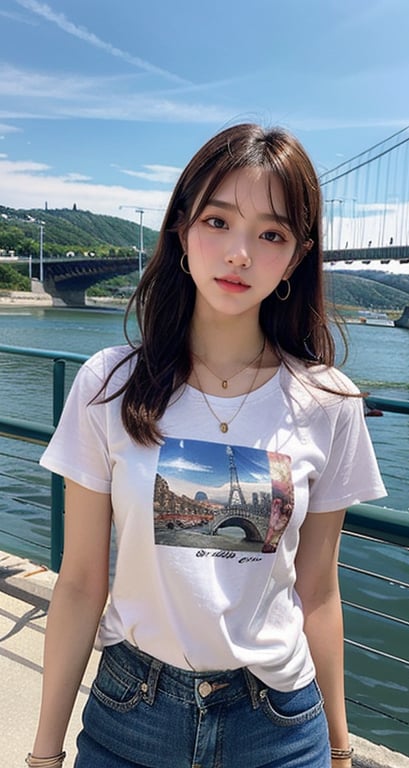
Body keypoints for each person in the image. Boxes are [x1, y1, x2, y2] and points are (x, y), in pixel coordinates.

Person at [27, 123, 386, 768]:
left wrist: (338, 749)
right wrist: (43, 754)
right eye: (218, 222)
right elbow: (81, 583)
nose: (240, 253)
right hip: (130, 716)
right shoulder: (108, 385)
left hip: (278, 724)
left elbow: (319, 592)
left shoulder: (329, 401)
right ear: (181, 231)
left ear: (296, 258)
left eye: (270, 234)